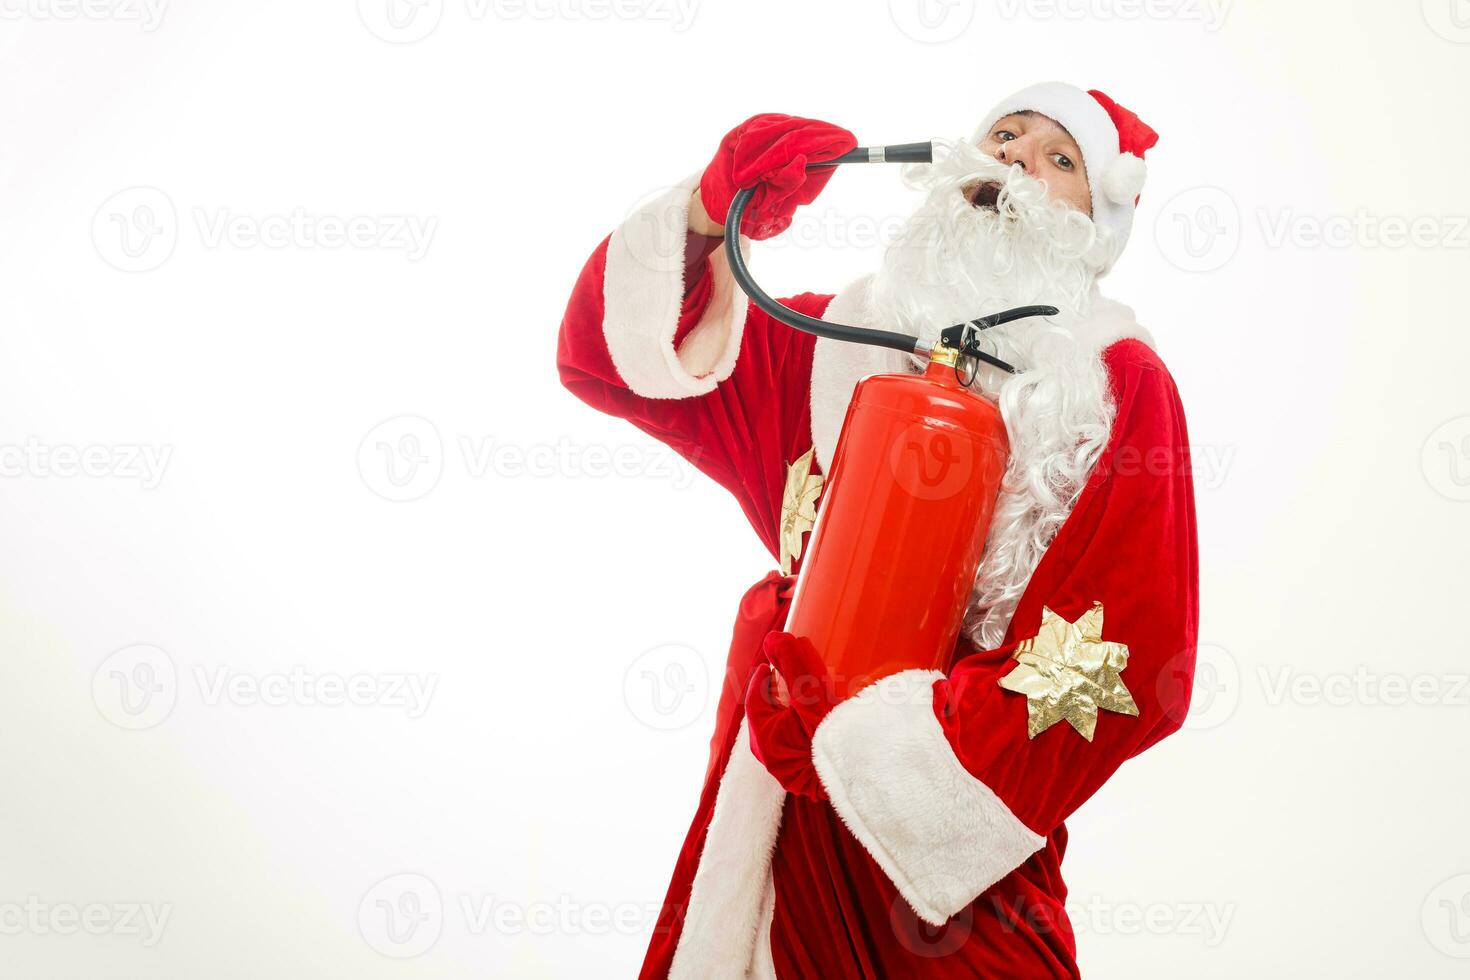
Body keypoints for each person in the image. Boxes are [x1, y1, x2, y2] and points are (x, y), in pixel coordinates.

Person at [557, 80, 1198, 979]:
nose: (1016, 158)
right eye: (1004, 134)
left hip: (957, 857)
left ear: (1094, 227)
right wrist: (708, 215)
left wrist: (858, 744)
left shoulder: (1113, 386)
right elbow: (617, 363)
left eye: (1061, 160)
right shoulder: (831, 344)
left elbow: (1130, 647)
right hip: (780, 821)